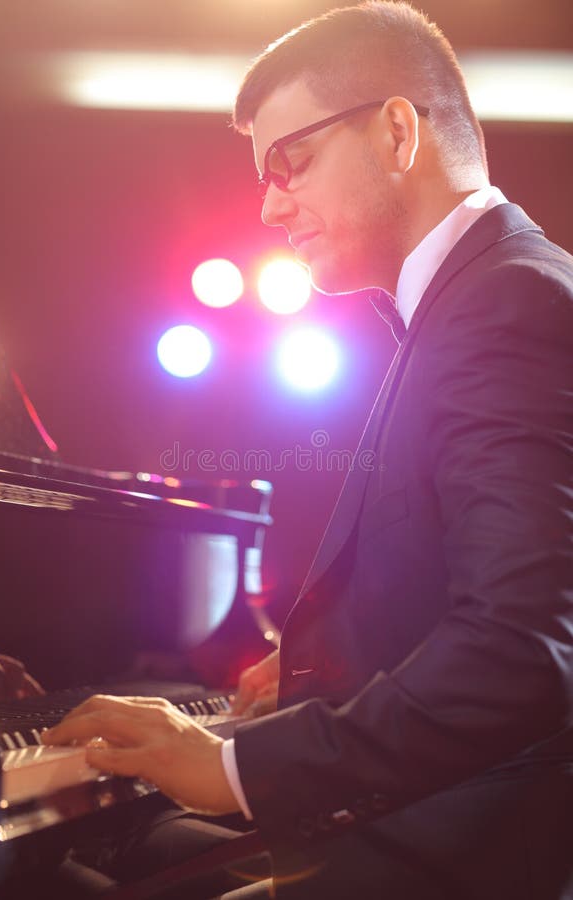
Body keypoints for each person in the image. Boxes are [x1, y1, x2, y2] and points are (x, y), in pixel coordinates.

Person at [44, 2, 573, 898]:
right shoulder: (478, 296)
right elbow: (467, 592)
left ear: (398, 132)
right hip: (431, 822)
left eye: (290, 161)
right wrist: (311, 672)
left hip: (456, 856)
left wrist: (231, 771)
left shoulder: (504, 304)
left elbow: (525, 651)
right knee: (131, 853)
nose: (267, 202)